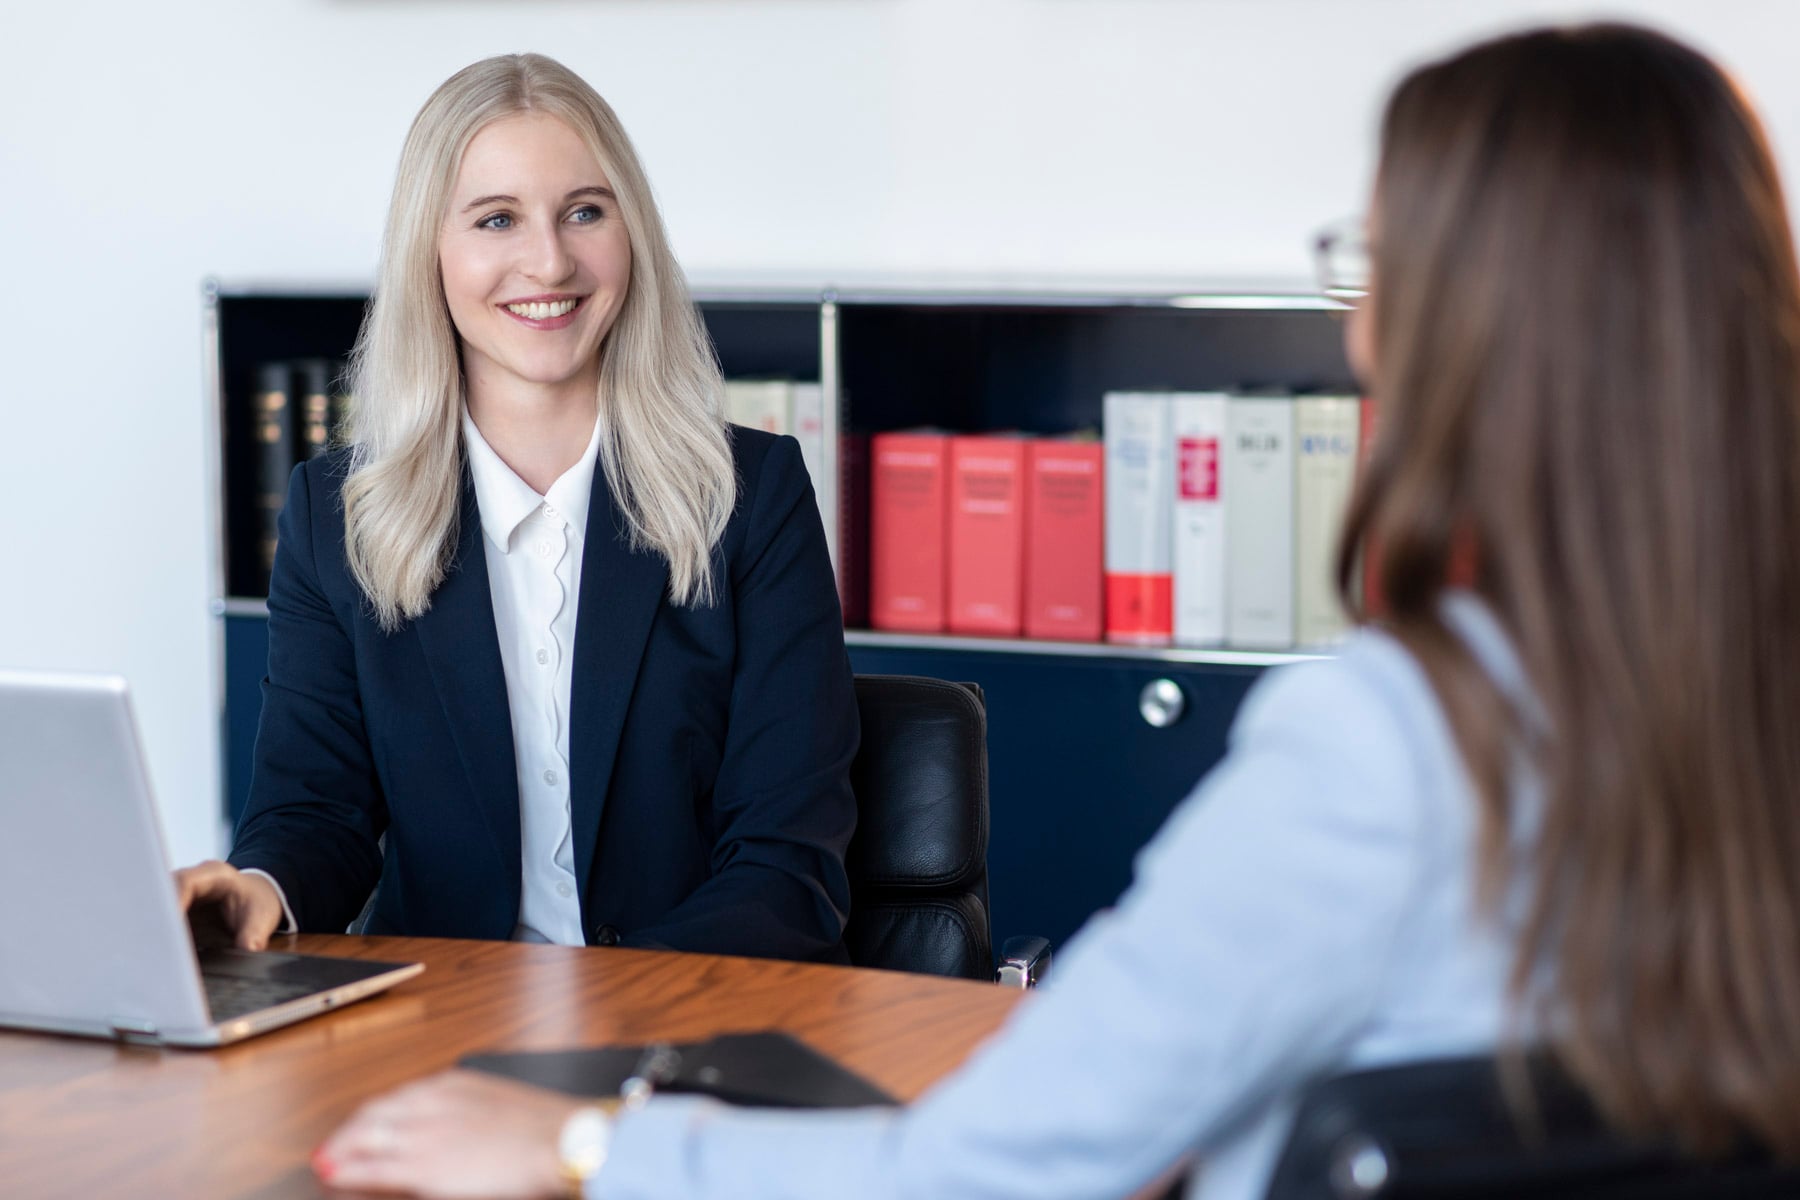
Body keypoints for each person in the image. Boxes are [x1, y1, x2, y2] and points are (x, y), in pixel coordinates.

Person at [315, 23, 1800, 1199]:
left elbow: (983, 1173)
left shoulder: (1393, 752)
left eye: (1379, 264)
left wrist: (582, 1152)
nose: (1356, 322)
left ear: (1469, 325)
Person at [175, 54, 859, 962]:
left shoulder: (751, 496)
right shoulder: (335, 515)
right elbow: (315, 812)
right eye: (496, 219)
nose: (549, 259)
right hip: (440, 1036)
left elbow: (784, 870)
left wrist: (595, 1019)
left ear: (631, 236)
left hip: (687, 1041)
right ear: (433, 253)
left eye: (585, 211)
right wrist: (256, 891)